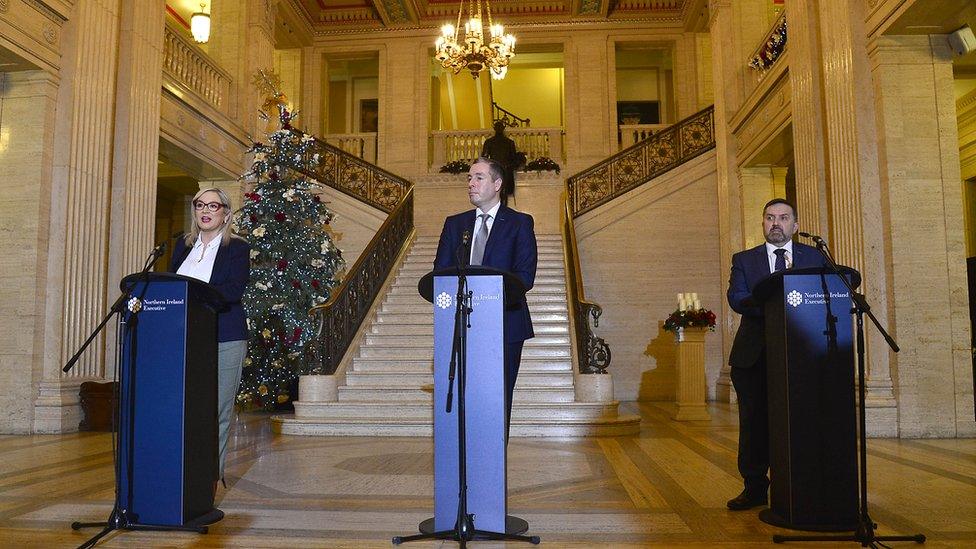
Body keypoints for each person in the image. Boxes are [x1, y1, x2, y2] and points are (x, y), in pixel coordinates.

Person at [725, 198, 826, 511]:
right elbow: (738, 297)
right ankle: (754, 487)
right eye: (770, 218)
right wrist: (774, 303)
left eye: (783, 218)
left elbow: (825, 294)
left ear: (795, 225)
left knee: (801, 421)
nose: (776, 224)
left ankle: (803, 484)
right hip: (754, 356)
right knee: (754, 423)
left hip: (803, 356)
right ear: (763, 223)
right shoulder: (744, 259)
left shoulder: (815, 256)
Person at [433, 156, 538, 428]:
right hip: (460, 326)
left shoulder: (519, 223)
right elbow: (440, 273)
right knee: (465, 398)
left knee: (498, 398)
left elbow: (525, 276)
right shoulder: (455, 225)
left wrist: (489, 299)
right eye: (469, 178)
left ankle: (493, 463)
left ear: (497, 183)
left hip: (506, 325)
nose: (471, 183)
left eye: (479, 177)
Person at [169, 187, 250, 488]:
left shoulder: (237, 248)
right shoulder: (182, 245)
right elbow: (170, 288)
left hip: (224, 336)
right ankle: (182, 472)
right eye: (200, 204)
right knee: (186, 406)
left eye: (213, 205)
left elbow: (233, 290)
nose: (205, 210)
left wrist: (196, 298)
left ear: (226, 213)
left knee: (218, 409)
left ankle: (208, 479)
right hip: (186, 337)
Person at [481, 120, 520, 202]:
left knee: (499, 194)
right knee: (499, 194)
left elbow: (484, 158)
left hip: (499, 171)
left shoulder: (491, 142)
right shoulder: (509, 142)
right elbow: (484, 157)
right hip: (501, 170)